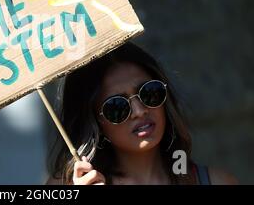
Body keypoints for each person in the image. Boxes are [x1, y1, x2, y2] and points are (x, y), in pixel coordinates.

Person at [46, 42, 238, 185]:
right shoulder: (66, 187)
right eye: (116, 106)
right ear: (95, 120)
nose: (139, 111)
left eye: (149, 93)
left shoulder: (217, 181)